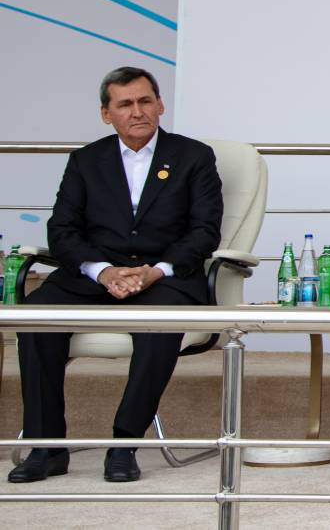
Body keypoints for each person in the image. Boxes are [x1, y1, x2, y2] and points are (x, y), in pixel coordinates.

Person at [9, 67, 223, 484]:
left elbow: (204, 231)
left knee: (160, 325)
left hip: (164, 278)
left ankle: (124, 443)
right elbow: (62, 230)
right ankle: (46, 447)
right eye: (125, 104)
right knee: (35, 317)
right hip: (95, 277)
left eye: (145, 101)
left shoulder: (193, 156)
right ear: (107, 114)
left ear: (160, 106)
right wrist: (103, 271)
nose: (137, 112)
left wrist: (156, 271)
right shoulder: (86, 160)